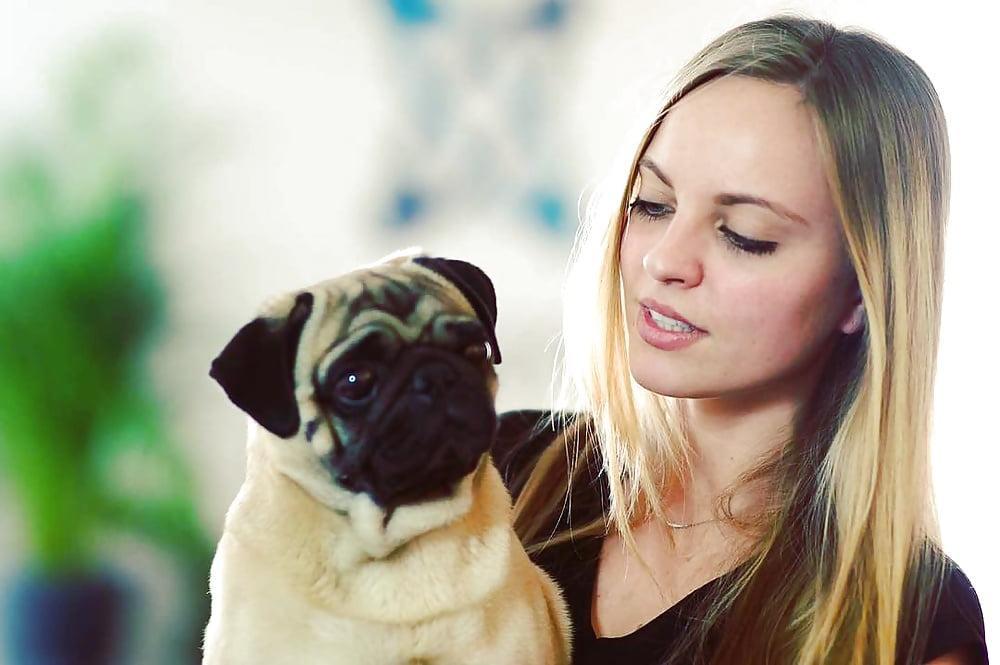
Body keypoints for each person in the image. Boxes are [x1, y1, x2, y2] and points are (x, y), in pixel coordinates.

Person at [491, 13, 988, 665]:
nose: (665, 260)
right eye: (651, 203)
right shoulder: (496, 474)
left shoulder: (908, 623)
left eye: (745, 236)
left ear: (861, 291)